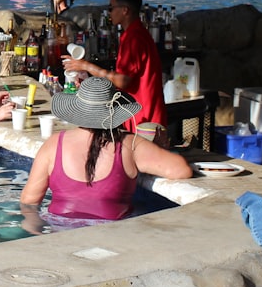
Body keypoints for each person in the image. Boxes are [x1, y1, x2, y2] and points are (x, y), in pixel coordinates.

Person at [19, 78, 191, 232]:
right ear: (117, 112)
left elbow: (29, 202)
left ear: (77, 111)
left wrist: (37, 233)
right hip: (110, 233)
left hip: (59, 230)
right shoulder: (130, 144)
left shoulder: (54, 144)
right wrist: (158, 149)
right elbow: (181, 170)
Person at [62, 0, 166, 134]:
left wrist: (86, 66)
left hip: (144, 121)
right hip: (141, 115)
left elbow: (123, 80)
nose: (108, 12)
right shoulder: (135, 34)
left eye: (111, 8)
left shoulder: (134, 38)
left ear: (124, 10)